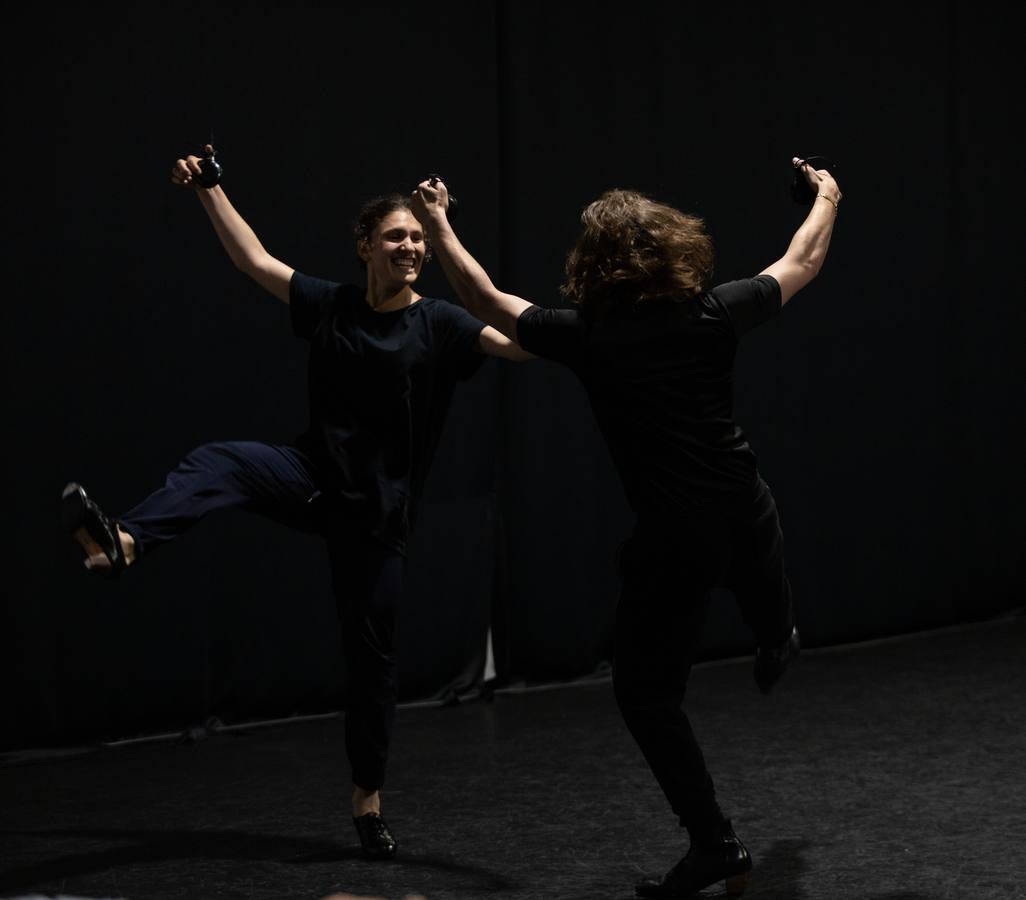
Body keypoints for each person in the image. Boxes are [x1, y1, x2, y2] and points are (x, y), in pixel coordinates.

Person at [60, 146, 531, 860]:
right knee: (219, 461)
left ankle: (366, 800)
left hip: (376, 517)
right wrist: (211, 189)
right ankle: (123, 543)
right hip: (311, 479)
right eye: (396, 236)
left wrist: (454, 237)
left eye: (418, 239)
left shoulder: (440, 324)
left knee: (374, 668)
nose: (409, 247)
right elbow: (255, 261)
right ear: (366, 245)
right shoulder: (333, 305)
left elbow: (516, 344)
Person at [409, 158, 841, 897]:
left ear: (594, 265)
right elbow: (802, 258)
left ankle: (715, 844)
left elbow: (482, 296)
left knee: (646, 697)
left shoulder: (589, 336)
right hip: (744, 507)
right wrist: (828, 194)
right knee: (763, 580)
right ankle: (775, 634)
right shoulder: (715, 311)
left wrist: (437, 221)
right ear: (675, 248)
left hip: (675, 538)